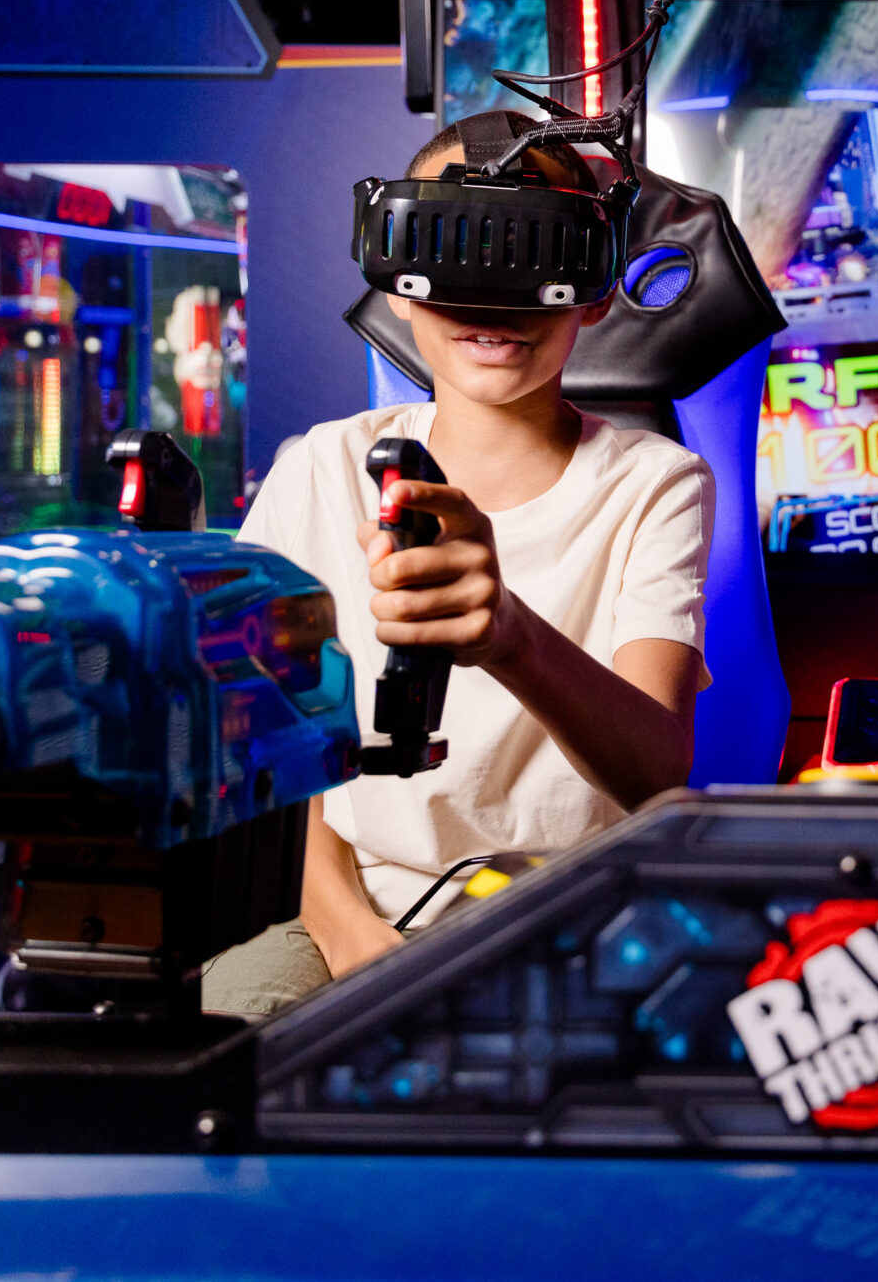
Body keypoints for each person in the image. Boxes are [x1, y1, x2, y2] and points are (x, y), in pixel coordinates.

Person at [201, 112, 710, 1015]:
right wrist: (354, 939)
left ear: (594, 291)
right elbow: (261, 743)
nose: (490, 306)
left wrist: (509, 634)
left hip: (563, 906)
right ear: (395, 282)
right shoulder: (320, 469)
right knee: (238, 1047)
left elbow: (655, 769)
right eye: (454, 250)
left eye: (530, 255)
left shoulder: (656, 484)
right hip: (338, 900)